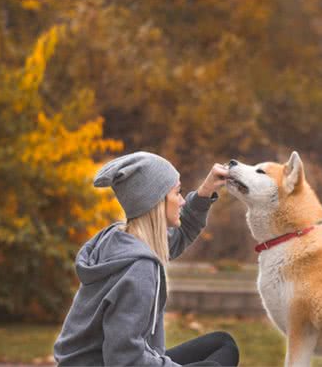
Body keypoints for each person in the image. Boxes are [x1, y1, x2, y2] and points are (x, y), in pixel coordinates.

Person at [53, 151, 240, 366]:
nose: (181, 201)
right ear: (157, 202)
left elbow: (181, 233)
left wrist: (206, 191)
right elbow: (125, 360)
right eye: (177, 193)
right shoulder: (139, 268)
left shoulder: (120, 238)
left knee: (222, 344)